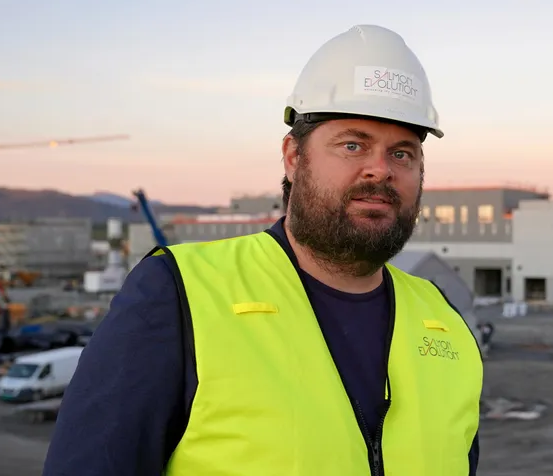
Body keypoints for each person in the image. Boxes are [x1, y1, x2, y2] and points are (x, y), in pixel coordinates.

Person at [42, 25, 483, 476]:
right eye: (353, 144)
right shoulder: (180, 294)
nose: (380, 170)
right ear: (293, 156)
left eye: (403, 154)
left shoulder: (444, 320)